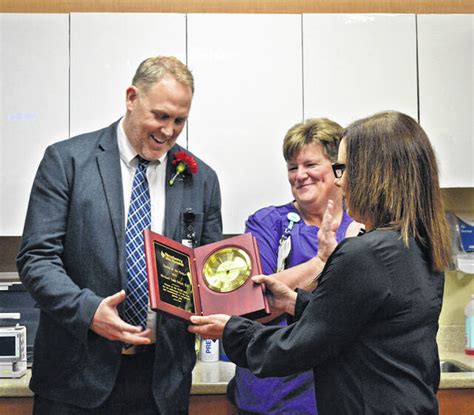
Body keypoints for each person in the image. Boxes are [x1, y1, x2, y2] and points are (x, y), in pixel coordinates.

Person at [189, 111, 451, 414]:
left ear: (372, 173)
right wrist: (295, 302)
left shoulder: (364, 253)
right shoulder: (419, 244)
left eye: (343, 169)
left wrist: (231, 330)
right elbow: (354, 323)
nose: (340, 182)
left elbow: (300, 346)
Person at [17, 56, 222, 414]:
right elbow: (36, 259)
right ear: (131, 98)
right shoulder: (68, 162)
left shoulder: (201, 179)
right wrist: (88, 310)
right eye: (160, 116)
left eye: (180, 120)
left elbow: (208, 274)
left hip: (161, 383)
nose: (169, 131)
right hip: (74, 380)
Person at [228, 118, 361, 414]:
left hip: (337, 390)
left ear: (338, 168)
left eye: (311, 165)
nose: (299, 175)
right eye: (292, 167)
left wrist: (288, 288)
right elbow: (253, 307)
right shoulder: (267, 223)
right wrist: (321, 263)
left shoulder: (363, 227)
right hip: (273, 389)